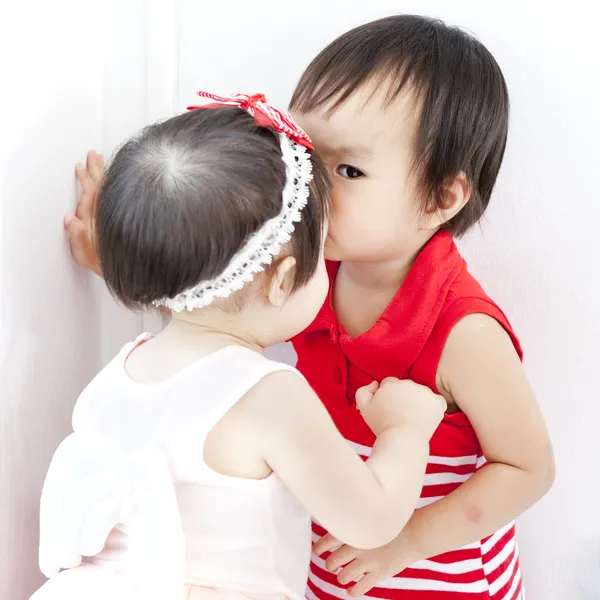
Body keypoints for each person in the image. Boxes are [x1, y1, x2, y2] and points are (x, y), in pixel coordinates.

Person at [66, 15, 555, 600]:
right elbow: (219, 322)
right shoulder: (306, 277)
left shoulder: (461, 330)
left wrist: (404, 542)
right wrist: (135, 260)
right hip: (324, 564)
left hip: (434, 579)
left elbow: (528, 468)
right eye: (303, 154)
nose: (312, 189)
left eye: (348, 170)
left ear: (440, 197)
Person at [33, 94, 446, 600]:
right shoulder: (269, 396)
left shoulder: (114, 380)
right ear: (283, 280)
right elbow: (372, 519)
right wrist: (405, 430)